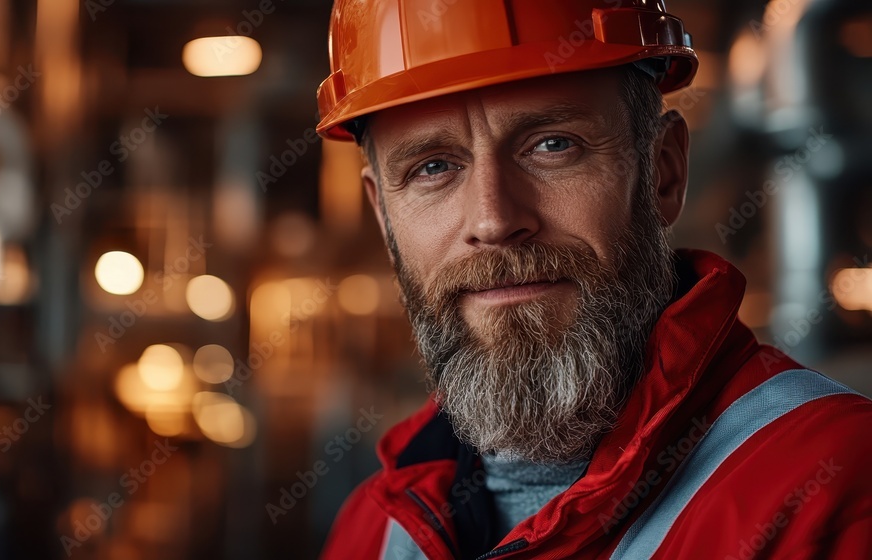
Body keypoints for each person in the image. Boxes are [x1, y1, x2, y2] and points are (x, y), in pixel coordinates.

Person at [314, 1, 872, 559]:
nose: (494, 220)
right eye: (432, 167)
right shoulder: (370, 531)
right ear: (385, 218)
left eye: (553, 144)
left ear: (664, 171)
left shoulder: (836, 490)